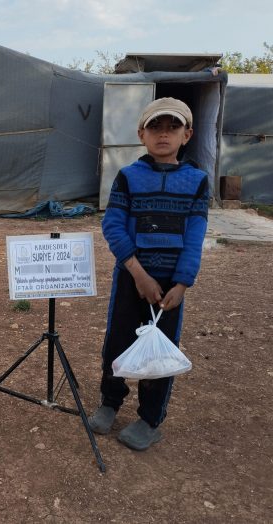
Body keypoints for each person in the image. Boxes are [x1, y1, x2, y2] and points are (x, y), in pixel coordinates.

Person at [88, 97, 209, 450]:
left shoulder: (197, 182)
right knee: (118, 340)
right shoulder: (128, 177)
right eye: (156, 127)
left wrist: (184, 282)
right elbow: (112, 225)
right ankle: (110, 402)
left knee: (161, 351)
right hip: (131, 278)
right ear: (142, 134)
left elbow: (195, 236)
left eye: (173, 127)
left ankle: (150, 419)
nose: (164, 134)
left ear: (187, 135)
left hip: (171, 285)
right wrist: (138, 273)